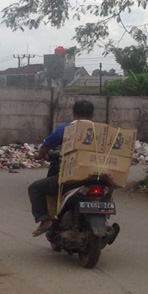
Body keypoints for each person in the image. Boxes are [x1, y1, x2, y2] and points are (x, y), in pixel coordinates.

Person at [28, 100, 95, 236]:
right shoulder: (102, 131)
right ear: (92, 115)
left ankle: (45, 220)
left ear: (73, 114)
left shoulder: (64, 130)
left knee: (34, 188)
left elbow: (45, 147)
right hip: (98, 177)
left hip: (70, 178)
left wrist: (41, 155)